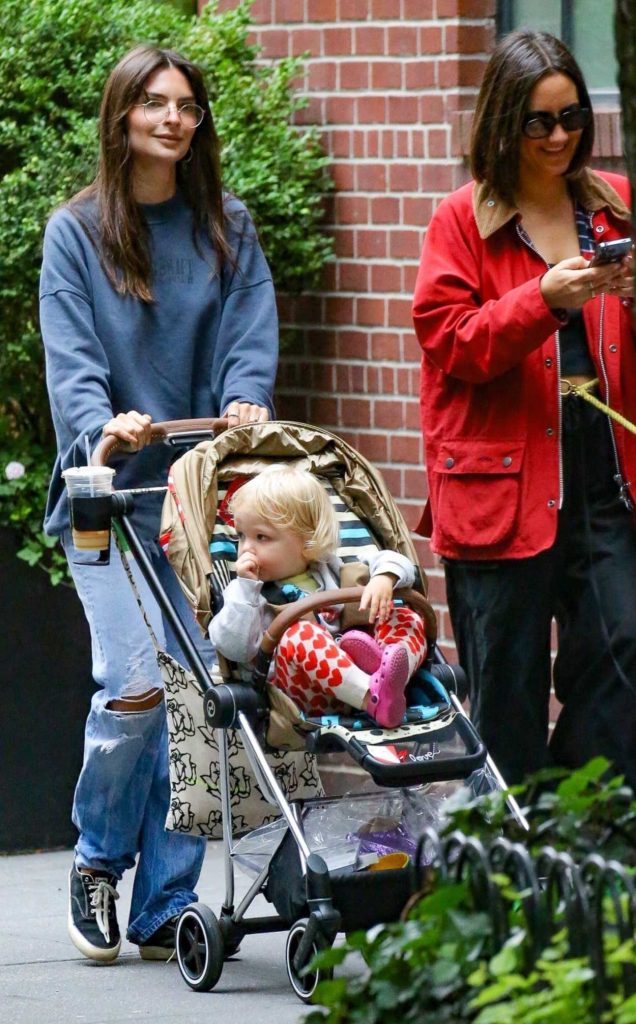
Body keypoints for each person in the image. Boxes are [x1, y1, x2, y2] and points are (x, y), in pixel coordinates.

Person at [39, 45, 278, 963]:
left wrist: (246, 397)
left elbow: (247, 334)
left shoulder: (228, 228)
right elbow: (73, 363)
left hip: (198, 500)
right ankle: (98, 861)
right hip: (109, 498)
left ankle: (163, 901)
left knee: (199, 699)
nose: (174, 119)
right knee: (135, 687)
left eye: (187, 106)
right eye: (154, 103)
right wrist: (105, 424)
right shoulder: (76, 234)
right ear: (122, 117)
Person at [412, 28, 636, 788]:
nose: (559, 136)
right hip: (499, 489)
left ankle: (571, 825)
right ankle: (510, 867)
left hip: (603, 477)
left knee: (624, 652)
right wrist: (540, 300)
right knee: (505, 701)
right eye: (538, 121)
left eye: (572, 117)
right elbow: (452, 343)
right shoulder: (461, 221)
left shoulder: (613, 206)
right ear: (504, 122)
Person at [209, 464, 428, 727]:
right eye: (242, 536)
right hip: (305, 693)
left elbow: (399, 563)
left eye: (261, 537)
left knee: (407, 616)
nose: (247, 549)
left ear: (307, 540)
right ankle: (372, 696)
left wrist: (384, 578)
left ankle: (389, 681)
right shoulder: (246, 592)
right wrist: (246, 588)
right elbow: (233, 647)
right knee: (299, 634)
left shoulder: (331, 567)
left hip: (361, 669)